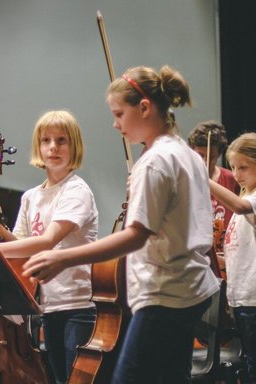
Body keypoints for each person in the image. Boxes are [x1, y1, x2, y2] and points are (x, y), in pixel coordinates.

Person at [23, 65, 220, 383]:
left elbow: (136, 236)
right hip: (193, 288)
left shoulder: (154, 161)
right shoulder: (185, 154)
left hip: (164, 293)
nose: (116, 125)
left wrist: (62, 256)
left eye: (118, 114)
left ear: (144, 108)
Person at [0, 110, 97, 383]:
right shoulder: (32, 196)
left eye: (61, 140)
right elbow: (23, 244)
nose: (53, 147)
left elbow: (46, 242)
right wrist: (0, 231)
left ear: (74, 146)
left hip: (77, 304)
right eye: (46, 141)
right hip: (47, 305)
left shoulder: (76, 190)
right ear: (38, 147)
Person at [208, 132, 256, 382]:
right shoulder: (246, 195)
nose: (236, 174)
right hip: (241, 297)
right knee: (248, 362)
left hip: (254, 298)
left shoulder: (249, 201)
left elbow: (240, 207)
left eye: (244, 167)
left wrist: (204, 180)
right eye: (234, 167)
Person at [188, 121, 240, 251]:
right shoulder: (183, 181)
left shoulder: (232, 179)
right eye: (200, 155)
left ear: (219, 155)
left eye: (211, 156)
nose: (205, 161)